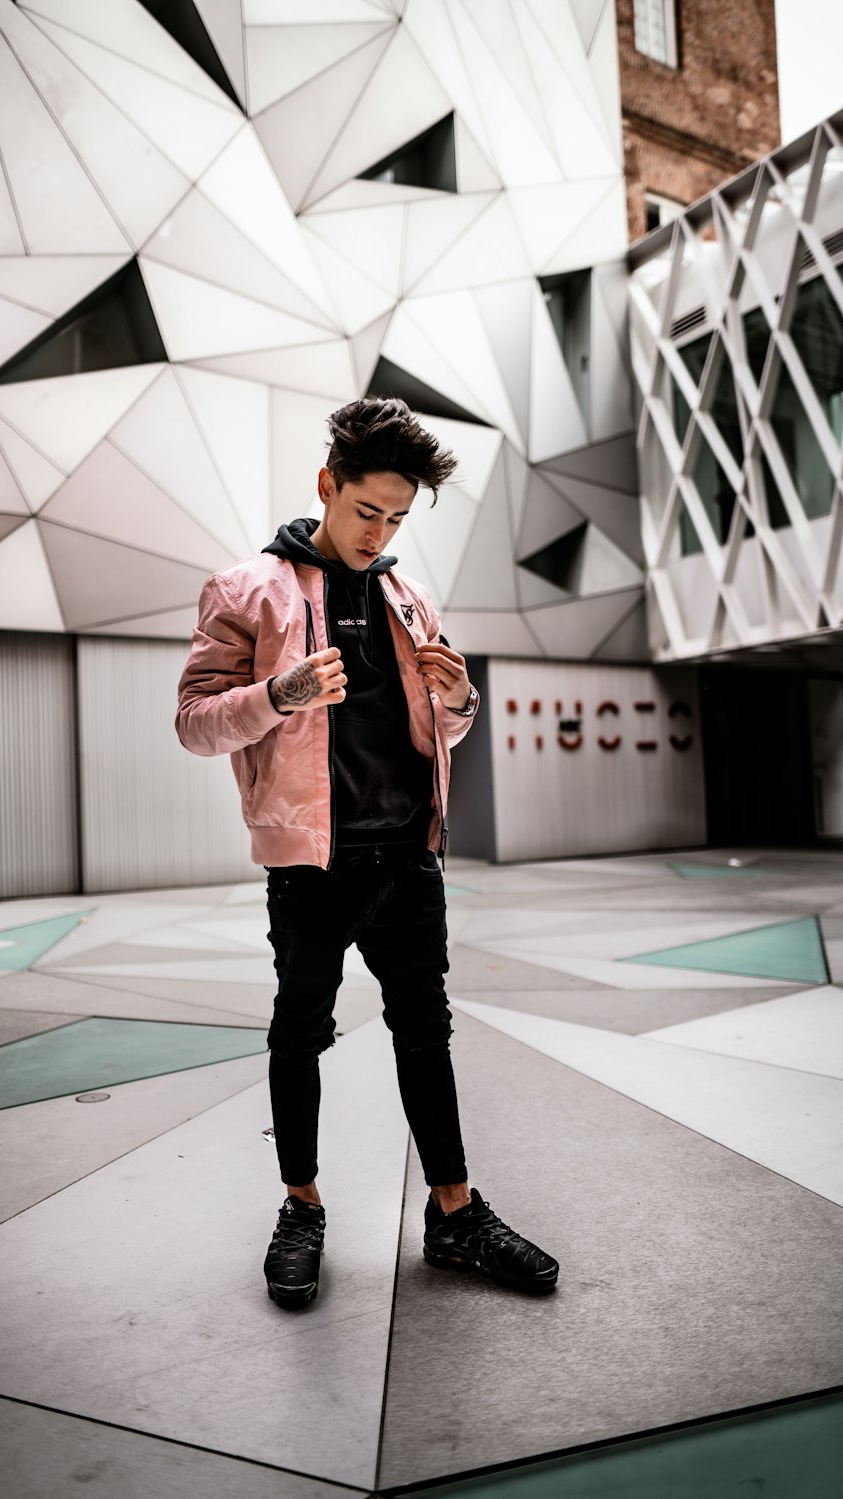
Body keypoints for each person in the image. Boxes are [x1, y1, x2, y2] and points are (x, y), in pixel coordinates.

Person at [176, 397, 558, 1308]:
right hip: (313, 865)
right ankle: (301, 1206)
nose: (379, 532)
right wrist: (283, 690)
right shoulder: (248, 590)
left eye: (396, 517)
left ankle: (454, 1212)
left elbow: (437, 734)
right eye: (366, 512)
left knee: (426, 1030)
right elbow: (194, 722)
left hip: (409, 860)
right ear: (326, 487)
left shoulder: (406, 595)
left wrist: (458, 699)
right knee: (299, 1030)